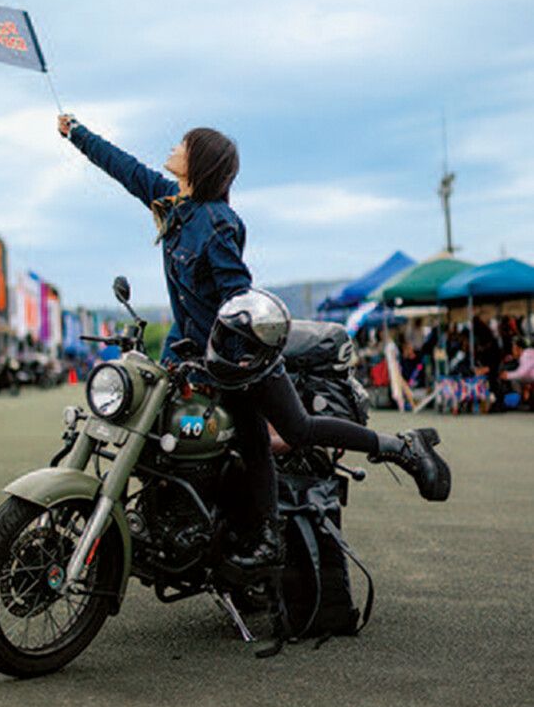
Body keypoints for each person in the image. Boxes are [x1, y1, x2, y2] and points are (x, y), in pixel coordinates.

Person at [58, 114, 451, 569]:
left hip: (239, 356)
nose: (174, 147)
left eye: (184, 144)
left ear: (199, 161)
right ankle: (169, 523)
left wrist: (233, 359)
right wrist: (77, 133)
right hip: (191, 353)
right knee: (164, 433)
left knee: (290, 432)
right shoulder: (171, 202)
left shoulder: (218, 223)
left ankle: (397, 449)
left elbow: (237, 297)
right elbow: (123, 166)